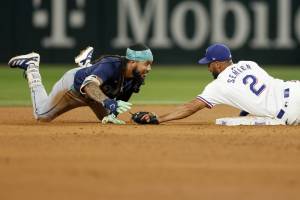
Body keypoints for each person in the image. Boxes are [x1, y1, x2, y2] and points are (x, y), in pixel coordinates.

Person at [133, 43, 300, 125]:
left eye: (209, 64)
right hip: (294, 88)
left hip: (288, 112)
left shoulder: (218, 86)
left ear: (218, 64)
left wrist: (158, 119)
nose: (208, 68)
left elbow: (191, 107)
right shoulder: (249, 63)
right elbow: (263, 87)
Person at [8, 43, 153, 124]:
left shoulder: (137, 77)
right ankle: (32, 67)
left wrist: (132, 117)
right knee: (42, 116)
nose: (149, 68)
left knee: (107, 119)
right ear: (132, 62)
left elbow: (119, 104)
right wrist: (109, 103)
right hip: (74, 89)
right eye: (146, 64)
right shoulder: (111, 64)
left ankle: (87, 65)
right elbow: (89, 86)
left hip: (97, 97)